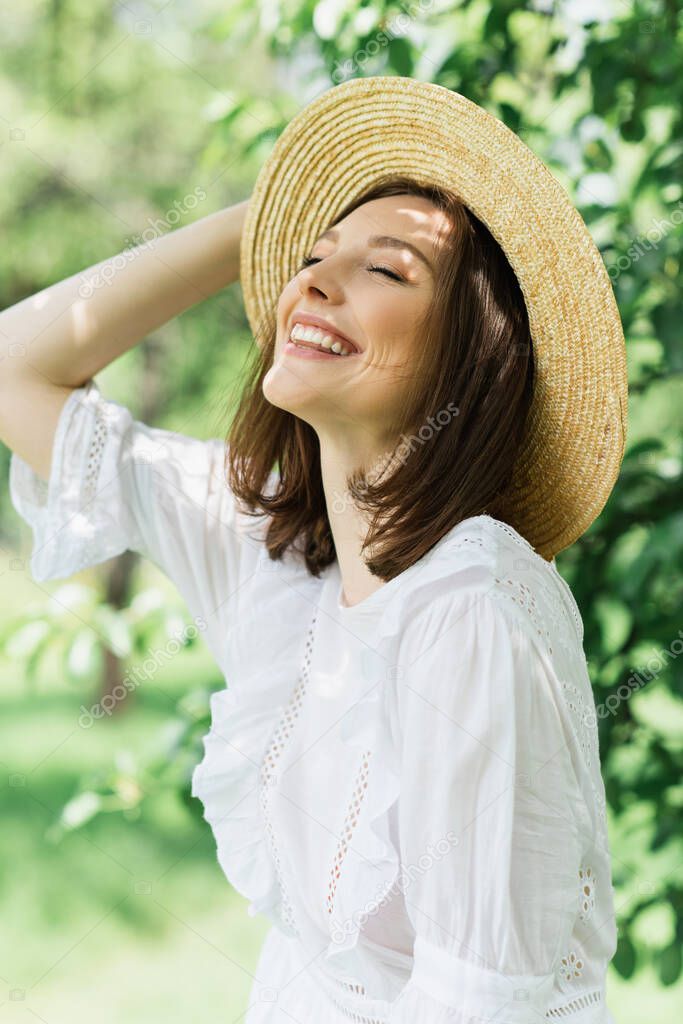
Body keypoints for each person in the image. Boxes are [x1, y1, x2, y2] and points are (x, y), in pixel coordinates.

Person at [0, 76, 627, 1023]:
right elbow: (17, 365)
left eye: (388, 270)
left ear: (472, 354)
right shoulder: (277, 557)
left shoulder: (473, 604)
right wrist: (258, 226)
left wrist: (313, 237)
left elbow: (478, 1008)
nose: (315, 281)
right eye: (312, 255)